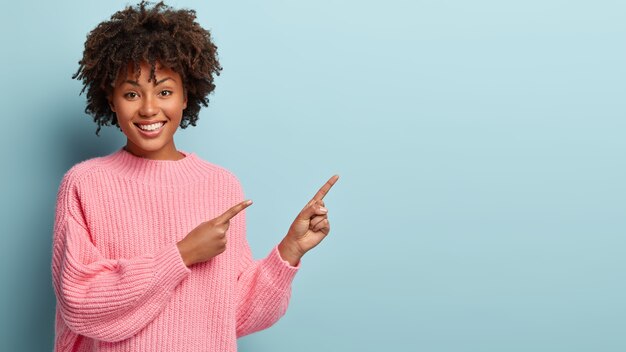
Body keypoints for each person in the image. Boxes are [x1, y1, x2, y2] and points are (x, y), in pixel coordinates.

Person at [51, 2, 338, 351]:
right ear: (110, 100)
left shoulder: (220, 185)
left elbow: (233, 313)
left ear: (187, 96)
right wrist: (182, 254)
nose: (148, 108)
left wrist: (290, 250)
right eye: (130, 93)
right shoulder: (86, 184)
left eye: (165, 91)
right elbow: (80, 302)